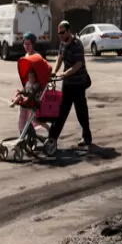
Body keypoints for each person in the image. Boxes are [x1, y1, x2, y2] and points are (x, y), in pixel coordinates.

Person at [45, 20, 93, 153]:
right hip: (67, 84)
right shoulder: (62, 44)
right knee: (61, 112)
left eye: (62, 32)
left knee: (81, 112)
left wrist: (65, 73)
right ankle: (52, 139)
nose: (60, 35)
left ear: (68, 31)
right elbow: (59, 58)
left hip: (78, 84)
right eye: (58, 33)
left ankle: (87, 136)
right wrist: (54, 71)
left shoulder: (76, 44)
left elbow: (78, 64)